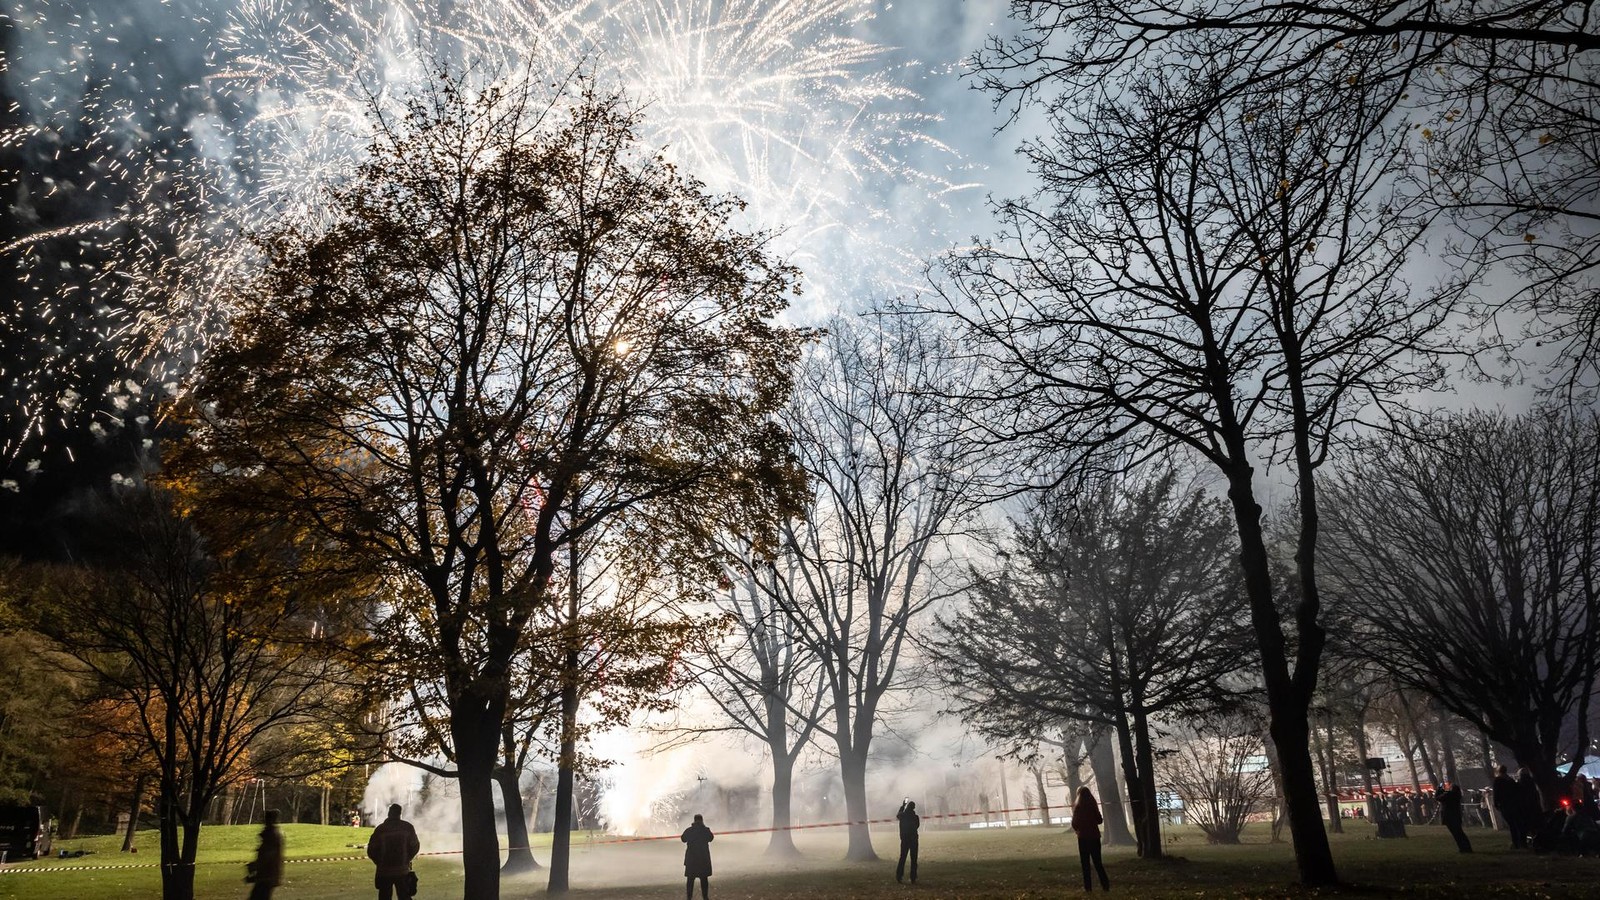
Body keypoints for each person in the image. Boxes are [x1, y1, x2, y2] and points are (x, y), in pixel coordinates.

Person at [367, 803, 420, 900]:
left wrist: (379, 862)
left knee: (384, 897)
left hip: (384, 871)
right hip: (402, 870)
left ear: (389, 813)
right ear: (400, 813)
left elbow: (371, 850)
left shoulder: (381, 829)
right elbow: (415, 846)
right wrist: (407, 859)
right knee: (404, 896)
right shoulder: (407, 827)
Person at [1070, 786, 1110, 892]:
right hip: (1094, 837)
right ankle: (1105, 884)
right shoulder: (1093, 806)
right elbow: (1099, 820)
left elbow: (1074, 823)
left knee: (1085, 864)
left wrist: (1078, 829)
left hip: (1083, 838)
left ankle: (1088, 887)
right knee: (1098, 862)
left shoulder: (1078, 808)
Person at [246, 809, 284, 900]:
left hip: (266, 876)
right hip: (267, 876)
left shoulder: (271, 835)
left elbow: (267, 856)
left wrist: (254, 867)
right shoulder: (273, 834)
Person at [681, 813, 714, 900]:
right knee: (704, 879)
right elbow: (711, 838)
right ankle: (705, 896)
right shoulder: (706, 830)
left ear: (694, 820)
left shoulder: (689, 830)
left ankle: (689, 897)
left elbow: (683, 839)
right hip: (703, 858)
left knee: (690, 880)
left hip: (692, 859)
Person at [1433, 783, 1472, 853]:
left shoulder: (1449, 795)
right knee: (1460, 833)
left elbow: (1437, 797)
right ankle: (1466, 848)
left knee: (1456, 834)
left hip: (1450, 817)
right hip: (1456, 816)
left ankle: (1463, 848)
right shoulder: (1456, 795)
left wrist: (1439, 789)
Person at [1492, 765, 1523, 848]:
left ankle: (1515, 842)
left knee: (1512, 824)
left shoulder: (1498, 780)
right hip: (1514, 804)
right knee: (1516, 823)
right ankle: (1520, 842)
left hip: (1505, 805)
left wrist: (1496, 803)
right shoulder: (1510, 780)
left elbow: (1496, 793)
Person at [896, 799, 920, 884]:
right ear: (914, 808)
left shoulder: (902, 816)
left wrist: (903, 805)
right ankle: (913, 877)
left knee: (902, 858)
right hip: (913, 839)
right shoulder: (915, 817)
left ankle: (899, 876)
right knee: (914, 859)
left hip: (905, 840)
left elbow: (898, 815)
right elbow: (917, 826)